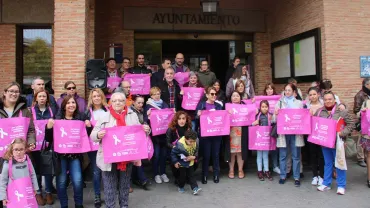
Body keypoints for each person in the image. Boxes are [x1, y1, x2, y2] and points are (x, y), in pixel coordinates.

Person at [90, 92, 150, 208]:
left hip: (127, 156)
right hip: (108, 157)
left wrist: (146, 130)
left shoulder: (132, 115)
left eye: (121, 100)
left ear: (125, 102)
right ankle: (110, 206)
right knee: (109, 186)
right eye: (115, 100)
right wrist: (98, 135)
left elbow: (139, 135)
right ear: (111, 103)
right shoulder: (104, 116)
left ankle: (124, 205)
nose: (118, 103)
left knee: (125, 185)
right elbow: (92, 136)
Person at [45, 95, 91, 208]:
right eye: (68, 103)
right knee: (61, 182)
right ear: (64, 106)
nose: (71, 105)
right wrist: (49, 128)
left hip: (75, 156)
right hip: (60, 157)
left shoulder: (81, 118)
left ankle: (79, 204)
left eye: (73, 103)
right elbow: (49, 139)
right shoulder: (57, 119)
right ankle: (64, 205)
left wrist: (89, 127)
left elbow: (85, 138)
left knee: (78, 181)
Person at [316, 91, 354, 195]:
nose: (328, 101)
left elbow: (351, 124)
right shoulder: (320, 111)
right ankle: (326, 183)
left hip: (338, 143)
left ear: (334, 100)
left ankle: (341, 185)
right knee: (327, 163)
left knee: (339, 163)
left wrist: (343, 133)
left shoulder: (341, 110)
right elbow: (315, 124)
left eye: (330, 99)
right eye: (326, 99)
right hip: (325, 142)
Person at [273, 83, 304, 187]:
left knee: (296, 155)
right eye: (285, 90)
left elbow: (303, 117)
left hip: (295, 133)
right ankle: (283, 175)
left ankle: (296, 177)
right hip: (283, 133)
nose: (287, 92)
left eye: (289, 90)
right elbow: (273, 119)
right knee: (283, 155)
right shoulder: (279, 103)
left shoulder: (299, 103)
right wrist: (276, 114)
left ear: (294, 92)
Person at [30, 89, 57, 205]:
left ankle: (49, 192)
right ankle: (38, 192)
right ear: (36, 98)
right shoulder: (30, 111)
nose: (42, 98)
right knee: (36, 170)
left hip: (48, 144)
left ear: (47, 98)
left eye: (44, 96)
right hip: (35, 145)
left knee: (48, 169)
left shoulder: (52, 111)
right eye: (40, 96)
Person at [84, 88, 108, 207]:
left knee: (108, 171)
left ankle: (109, 194)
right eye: (94, 96)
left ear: (102, 97)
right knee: (96, 171)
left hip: (108, 144)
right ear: (91, 99)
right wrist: (87, 126)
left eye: (99, 96)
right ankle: (97, 195)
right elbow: (83, 131)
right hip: (93, 146)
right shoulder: (87, 112)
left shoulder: (108, 110)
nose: (97, 98)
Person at [0, 138, 39, 207]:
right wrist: (3, 197)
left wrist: (35, 188)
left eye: (21, 149)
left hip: (27, 190)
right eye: (16, 149)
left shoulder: (28, 161)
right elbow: (3, 181)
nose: (18, 152)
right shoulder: (7, 163)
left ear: (25, 150)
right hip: (14, 193)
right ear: (11, 150)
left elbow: (33, 174)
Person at [196, 87, 223, 184]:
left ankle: (216, 174)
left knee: (215, 155)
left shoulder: (218, 106)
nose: (214, 96)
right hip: (205, 135)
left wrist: (227, 113)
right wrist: (198, 115)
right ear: (207, 95)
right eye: (212, 94)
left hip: (216, 134)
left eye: (215, 94)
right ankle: (204, 175)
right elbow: (196, 118)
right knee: (206, 156)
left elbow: (222, 118)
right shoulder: (201, 105)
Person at [144, 87, 170, 184]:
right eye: (154, 94)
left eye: (158, 93)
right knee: (156, 155)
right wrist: (148, 116)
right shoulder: (148, 106)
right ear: (151, 96)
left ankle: (163, 173)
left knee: (163, 155)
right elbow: (145, 120)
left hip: (164, 135)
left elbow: (169, 117)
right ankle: (156, 174)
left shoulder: (164, 104)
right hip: (155, 136)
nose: (157, 96)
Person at [225, 91, 248, 179]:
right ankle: (231, 170)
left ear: (240, 98)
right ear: (231, 98)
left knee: (240, 151)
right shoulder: (227, 107)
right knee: (231, 152)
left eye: (237, 96)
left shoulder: (245, 107)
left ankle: (240, 170)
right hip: (231, 131)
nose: (235, 97)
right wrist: (227, 113)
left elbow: (250, 116)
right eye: (233, 96)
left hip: (241, 130)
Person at [171, 130, 202, 195]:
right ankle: (180, 186)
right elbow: (173, 153)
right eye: (190, 141)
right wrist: (175, 162)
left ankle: (195, 188)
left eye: (193, 141)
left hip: (191, 162)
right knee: (183, 176)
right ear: (185, 139)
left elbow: (197, 152)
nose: (192, 143)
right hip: (182, 163)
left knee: (192, 175)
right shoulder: (179, 145)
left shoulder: (196, 142)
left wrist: (194, 157)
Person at [130, 95, 150, 191]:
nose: (140, 104)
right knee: (137, 160)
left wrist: (146, 128)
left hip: (139, 138)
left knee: (137, 160)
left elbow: (145, 123)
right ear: (133, 102)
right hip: (132, 139)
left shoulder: (142, 111)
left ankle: (136, 179)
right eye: (138, 102)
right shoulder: (129, 112)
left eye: (142, 103)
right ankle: (143, 179)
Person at [166, 111, 193, 184]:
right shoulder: (171, 129)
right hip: (175, 152)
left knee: (194, 160)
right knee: (176, 163)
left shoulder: (189, 128)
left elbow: (193, 140)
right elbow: (167, 143)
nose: (182, 121)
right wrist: (175, 147)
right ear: (176, 120)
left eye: (183, 118)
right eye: (179, 119)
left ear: (186, 119)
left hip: (186, 151)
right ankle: (177, 177)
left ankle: (187, 176)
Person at [305, 87, 324, 186]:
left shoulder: (323, 106)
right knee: (312, 155)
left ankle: (321, 176)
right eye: (310, 95)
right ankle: (314, 176)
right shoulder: (306, 107)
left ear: (318, 95)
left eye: (314, 94)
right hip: (311, 134)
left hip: (321, 134)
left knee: (321, 155)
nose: (312, 96)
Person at [252, 100, 273, 181]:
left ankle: (266, 171)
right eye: (262, 107)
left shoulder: (270, 115)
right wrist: (254, 123)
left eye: (266, 107)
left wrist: (272, 119)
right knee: (259, 155)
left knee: (265, 155)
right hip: (259, 139)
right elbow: (251, 124)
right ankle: (260, 171)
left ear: (268, 107)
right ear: (260, 107)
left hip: (266, 138)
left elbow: (274, 123)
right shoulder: (257, 115)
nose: (264, 108)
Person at [263, 83, 280, 174]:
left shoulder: (278, 100)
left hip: (274, 125)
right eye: (267, 89)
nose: (269, 91)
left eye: (271, 89)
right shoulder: (261, 100)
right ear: (265, 90)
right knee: (265, 147)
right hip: (264, 126)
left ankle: (275, 166)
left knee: (274, 147)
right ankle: (265, 167)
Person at [354, 78, 370, 168]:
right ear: (367, 85)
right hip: (363, 120)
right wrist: (362, 113)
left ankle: (366, 157)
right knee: (361, 140)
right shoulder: (360, 95)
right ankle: (360, 158)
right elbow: (356, 109)